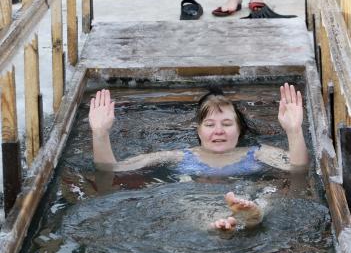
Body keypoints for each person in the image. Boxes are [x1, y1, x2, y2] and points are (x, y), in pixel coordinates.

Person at [89, 83, 309, 231]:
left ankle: (252, 215)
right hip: (198, 200)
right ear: (199, 131)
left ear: (240, 129)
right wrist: (100, 133)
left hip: (249, 195)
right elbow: (112, 169)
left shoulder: (258, 153)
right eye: (210, 124)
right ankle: (215, 224)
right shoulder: (180, 157)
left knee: (270, 193)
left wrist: (294, 130)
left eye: (227, 124)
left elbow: (297, 169)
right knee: (182, 201)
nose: (218, 131)